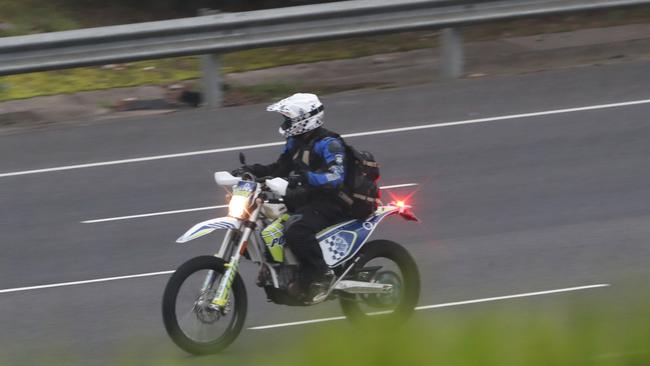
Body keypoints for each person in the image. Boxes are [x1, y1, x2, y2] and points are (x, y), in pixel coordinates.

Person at [233, 93, 349, 302]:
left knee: (296, 230)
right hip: (303, 199)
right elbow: (279, 168)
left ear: (305, 119)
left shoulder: (329, 143)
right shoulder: (294, 142)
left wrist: (304, 177)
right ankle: (283, 271)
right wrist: (251, 171)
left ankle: (320, 275)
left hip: (330, 202)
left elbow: (336, 177)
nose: (286, 123)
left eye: (289, 119)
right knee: (267, 223)